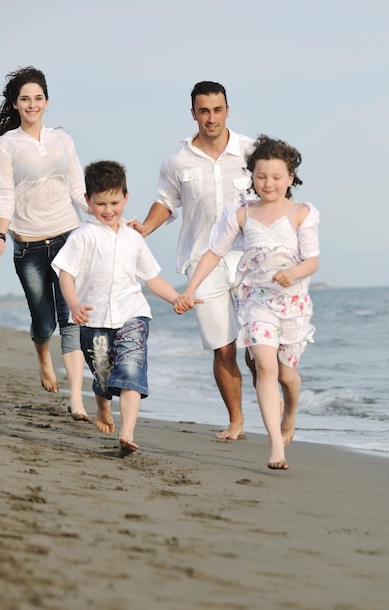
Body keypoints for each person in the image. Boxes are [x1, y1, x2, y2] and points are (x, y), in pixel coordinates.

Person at [175, 135, 320, 470]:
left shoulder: (302, 214)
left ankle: (291, 413)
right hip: (256, 301)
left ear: (290, 178)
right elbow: (214, 253)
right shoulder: (241, 214)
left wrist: (294, 272)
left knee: (286, 375)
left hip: (293, 303)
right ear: (251, 176)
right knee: (265, 367)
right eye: (261, 176)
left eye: (276, 177)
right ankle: (275, 448)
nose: (268, 183)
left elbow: (312, 260)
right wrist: (190, 287)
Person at [129, 81, 256, 441]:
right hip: (203, 261)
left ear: (227, 109)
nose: (211, 118)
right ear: (193, 114)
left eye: (217, 110)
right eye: (204, 111)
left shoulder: (251, 151)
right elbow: (166, 202)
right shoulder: (177, 161)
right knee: (224, 347)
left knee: (258, 347)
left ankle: (265, 394)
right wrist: (145, 228)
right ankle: (237, 421)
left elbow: (274, 190)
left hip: (250, 258)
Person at [0, 66, 90, 422]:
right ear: (14, 104)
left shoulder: (62, 139)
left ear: (47, 101)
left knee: (72, 317)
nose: (32, 104)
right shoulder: (4, 147)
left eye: (38, 98)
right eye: (25, 99)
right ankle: (43, 356)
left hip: (69, 235)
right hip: (29, 245)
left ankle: (76, 399)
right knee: (44, 322)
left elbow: (77, 189)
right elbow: (3, 196)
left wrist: (103, 215)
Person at [52, 160, 185, 455]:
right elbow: (65, 273)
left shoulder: (133, 238)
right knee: (102, 375)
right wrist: (73, 304)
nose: (109, 210)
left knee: (130, 368)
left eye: (115, 202)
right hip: (93, 319)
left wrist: (176, 298)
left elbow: (151, 278)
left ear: (126, 197)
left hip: (132, 315)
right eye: (101, 204)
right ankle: (103, 408)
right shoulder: (82, 237)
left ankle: (127, 432)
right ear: (88, 201)